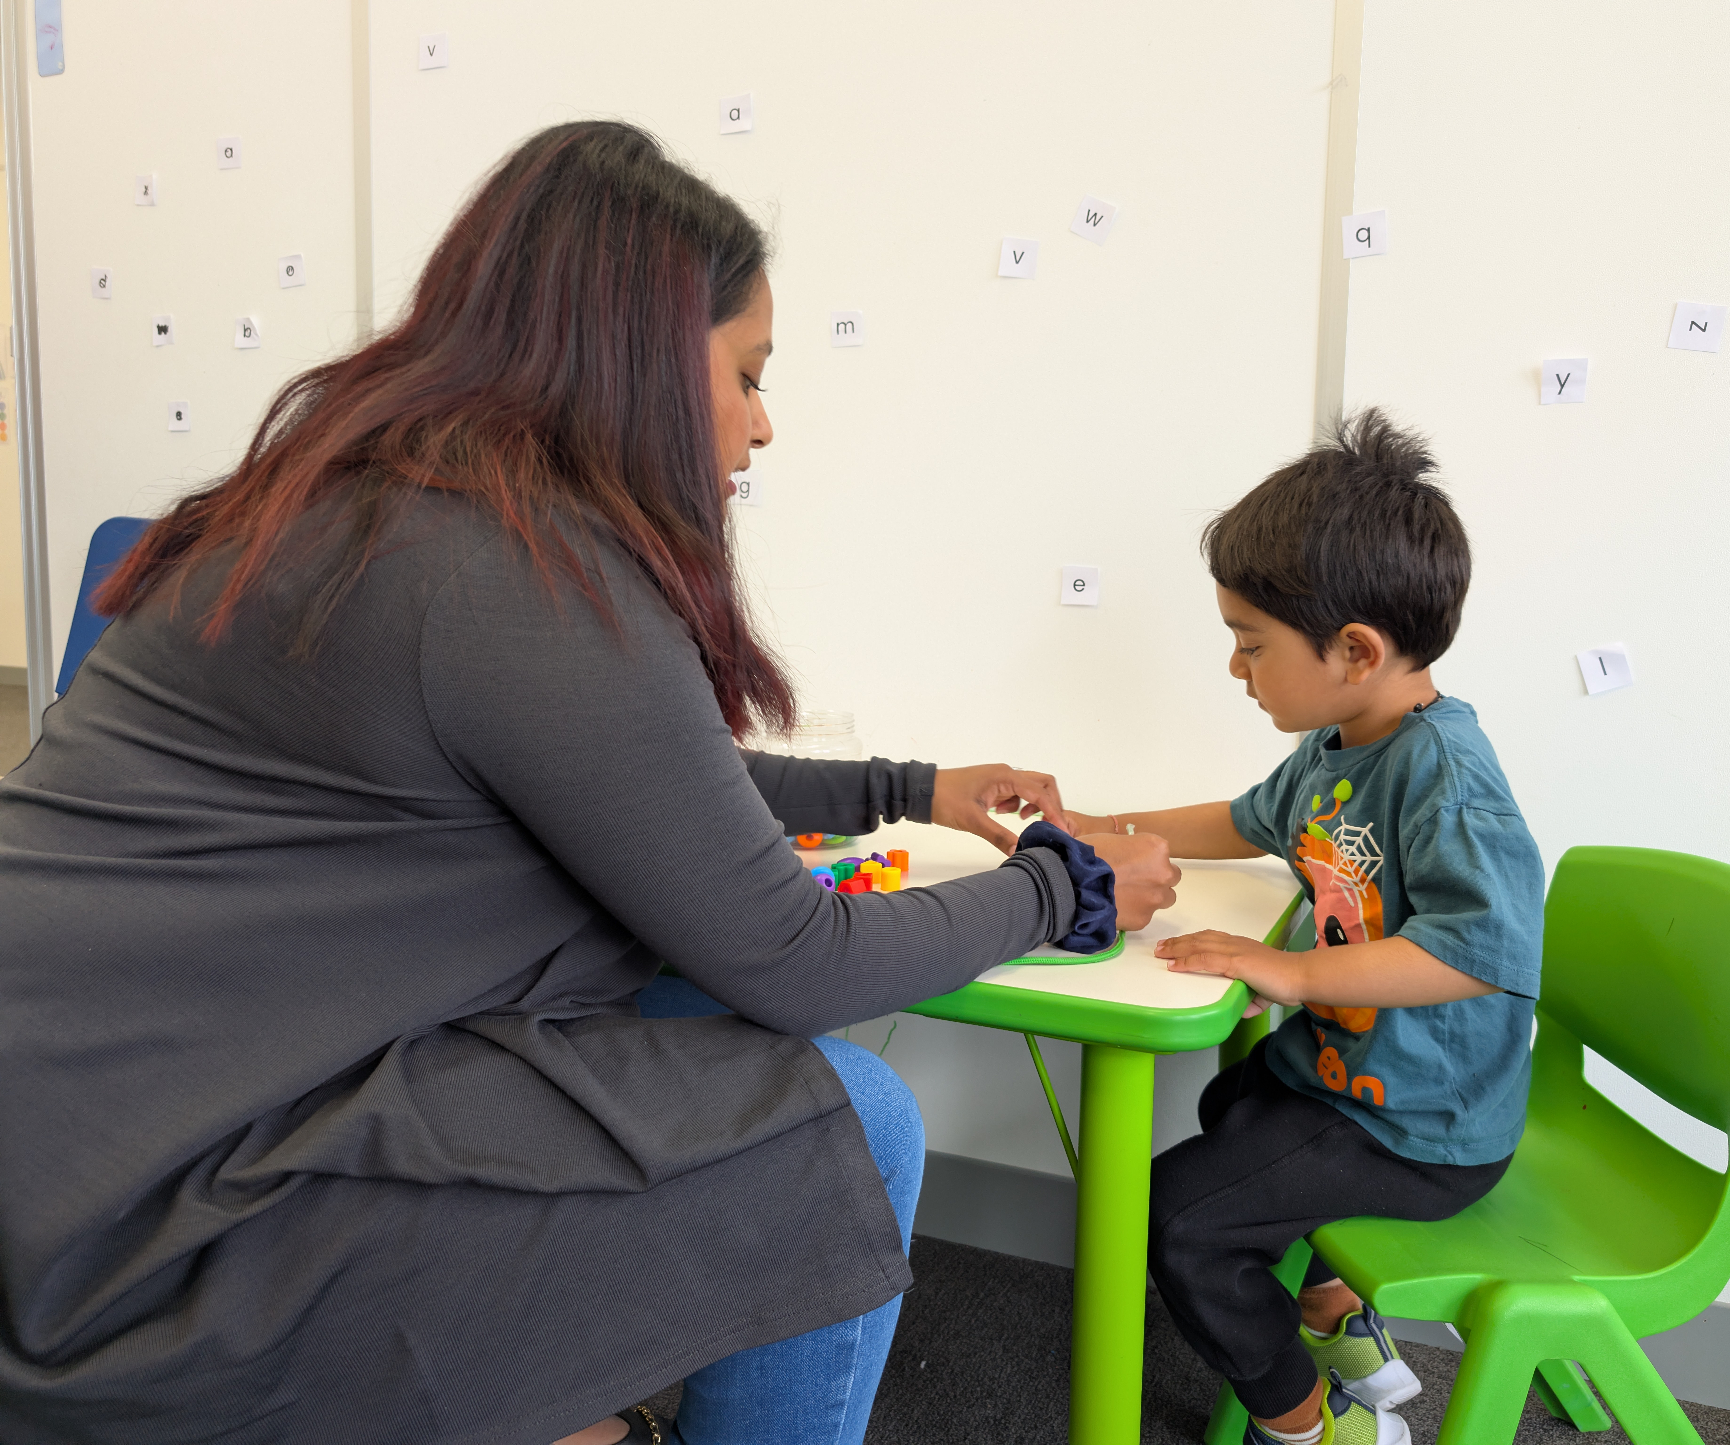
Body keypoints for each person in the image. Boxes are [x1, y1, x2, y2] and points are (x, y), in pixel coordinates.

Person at [0, 121, 1180, 1445]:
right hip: (135, 1227)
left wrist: (905, 786)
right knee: (858, 1119)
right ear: (648, 365)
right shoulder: (516, 574)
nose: (764, 423)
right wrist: (1068, 884)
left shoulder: (364, 505)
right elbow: (804, 963)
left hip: (85, 1113)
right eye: (748, 375)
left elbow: (633, 774)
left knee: (676, 1004)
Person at [1066, 413, 1545, 1445]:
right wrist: (1103, 825)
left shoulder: (1446, 775)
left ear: (1356, 650)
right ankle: (1334, 1314)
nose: (1237, 667)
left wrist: (1286, 969)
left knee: (1180, 1217)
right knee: (1233, 1097)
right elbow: (1246, 820)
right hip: (1350, 1074)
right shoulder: (1339, 742)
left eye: (1251, 643)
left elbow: (1479, 952)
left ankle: (1309, 1426)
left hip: (1424, 1125)